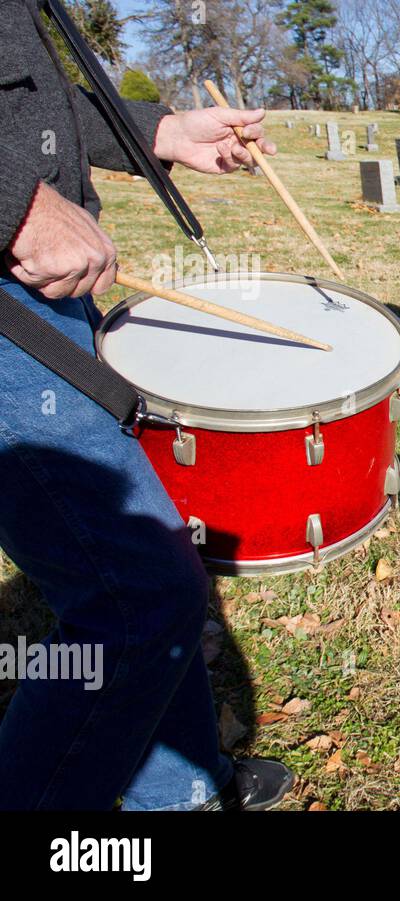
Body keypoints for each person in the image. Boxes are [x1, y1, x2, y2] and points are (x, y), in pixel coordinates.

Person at [0, 0, 293, 810]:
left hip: (37, 282)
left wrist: (157, 131)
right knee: (138, 595)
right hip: (9, 268)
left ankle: (180, 790)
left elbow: (25, 97)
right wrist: (12, 202)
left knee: (156, 562)